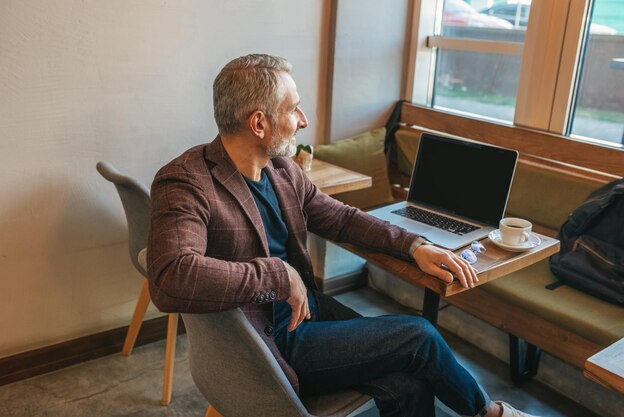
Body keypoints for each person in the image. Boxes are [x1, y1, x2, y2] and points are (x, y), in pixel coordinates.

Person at [147, 53, 538, 417]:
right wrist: (278, 275)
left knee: (408, 380)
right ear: (259, 123)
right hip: (266, 344)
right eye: (292, 109)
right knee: (418, 334)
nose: (303, 119)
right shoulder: (186, 181)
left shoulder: (282, 169)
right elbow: (170, 278)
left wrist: (414, 246)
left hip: (306, 314)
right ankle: (491, 413)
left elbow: (341, 218)